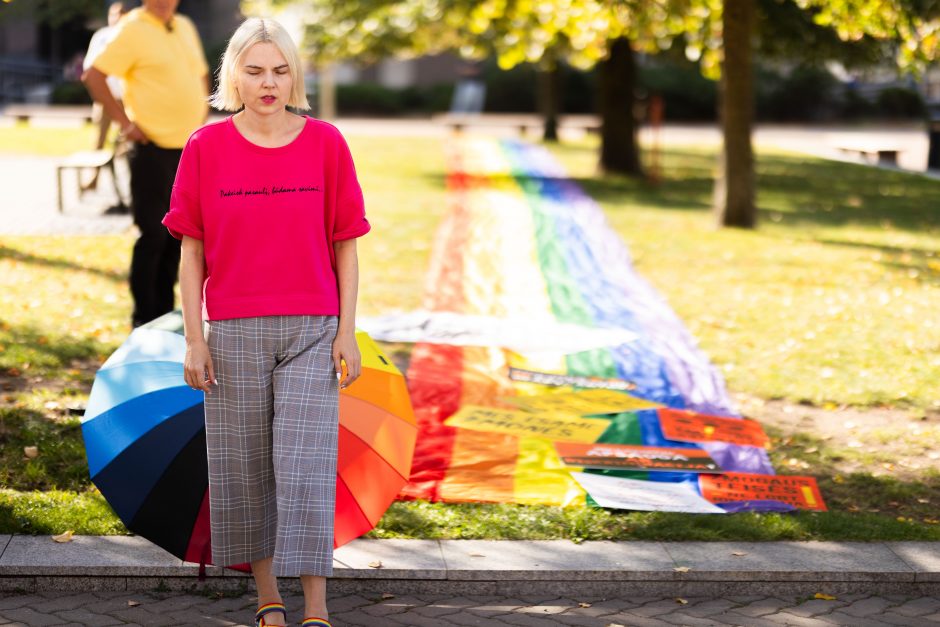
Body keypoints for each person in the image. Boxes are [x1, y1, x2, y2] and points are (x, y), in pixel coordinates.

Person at [161, 17, 370, 627]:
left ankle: (316, 607)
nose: (268, 83)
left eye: (280, 70)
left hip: (312, 328)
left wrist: (347, 329)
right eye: (254, 71)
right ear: (234, 75)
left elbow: (347, 244)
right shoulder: (205, 147)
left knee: (304, 465)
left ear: (294, 75)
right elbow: (191, 249)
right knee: (244, 466)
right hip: (232, 332)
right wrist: (194, 338)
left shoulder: (326, 142)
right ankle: (267, 597)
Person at [82, 0, 209, 328]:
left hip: (188, 150)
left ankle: (164, 316)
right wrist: (126, 125)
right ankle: (144, 319)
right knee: (152, 234)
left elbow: (201, 75)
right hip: (151, 147)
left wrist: (201, 116)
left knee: (178, 236)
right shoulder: (132, 28)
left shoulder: (184, 26)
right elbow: (93, 75)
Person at [81, 1, 128, 195]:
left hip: (126, 99)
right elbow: (89, 67)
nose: (117, 19)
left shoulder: (130, 36)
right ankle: (94, 177)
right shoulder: (101, 37)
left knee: (126, 142)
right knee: (98, 141)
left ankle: (125, 183)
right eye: (113, 15)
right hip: (105, 98)